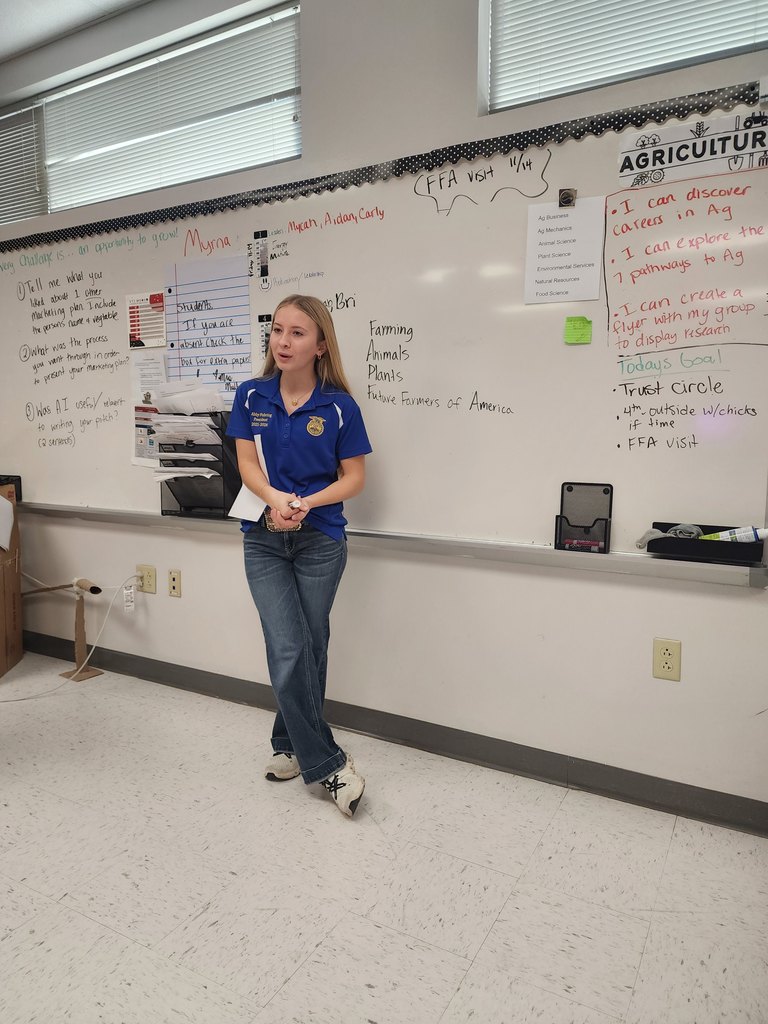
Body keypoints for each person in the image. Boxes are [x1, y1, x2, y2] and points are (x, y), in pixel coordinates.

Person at [226, 295, 372, 817]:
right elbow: (248, 465)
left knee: (310, 645)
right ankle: (328, 765)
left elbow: (353, 477)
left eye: (297, 333)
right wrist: (274, 502)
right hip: (263, 538)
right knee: (288, 646)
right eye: (277, 331)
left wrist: (305, 503)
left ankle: (287, 746)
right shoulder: (250, 395)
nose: (283, 342)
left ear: (320, 344)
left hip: (320, 540)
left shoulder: (339, 407)